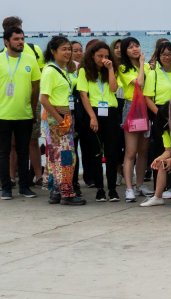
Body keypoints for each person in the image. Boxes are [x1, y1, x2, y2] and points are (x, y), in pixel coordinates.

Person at [40, 36, 85, 205]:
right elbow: (44, 99)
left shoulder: (64, 69)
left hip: (65, 116)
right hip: (58, 117)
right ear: (53, 51)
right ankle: (67, 194)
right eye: (64, 49)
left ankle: (57, 192)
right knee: (66, 157)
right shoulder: (50, 71)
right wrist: (60, 120)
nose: (68, 52)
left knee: (56, 156)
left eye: (69, 49)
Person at [76, 41, 121, 202]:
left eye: (106, 56)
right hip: (94, 111)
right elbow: (83, 95)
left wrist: (110, 69)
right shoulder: (84, 71)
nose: (103, 59)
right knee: (96, 152)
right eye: (100, 56)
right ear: (92, 56)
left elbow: (114, 89)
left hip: (111, 112)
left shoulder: (111, 69)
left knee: (112, 152)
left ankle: (112, 189)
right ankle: (100, 189)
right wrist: (92, 117)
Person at [0, 26, 41, 200]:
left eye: (22, 39)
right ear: (6, 41)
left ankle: (24, 187)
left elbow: (35, 87)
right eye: (16, 39)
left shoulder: (30, 60)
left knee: (24, 152)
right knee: (3, 153)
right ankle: (6, 188)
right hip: (2, 115)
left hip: (24, 114)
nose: (21, 42)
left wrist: (32, 110)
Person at [117, 36, 150, 202]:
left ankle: (140, 185)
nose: (135, 49)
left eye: (137, 45)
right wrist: (143, 64)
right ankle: (129, 188)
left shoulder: (148, 66)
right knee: (131, 152)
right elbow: (140, 83)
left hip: (146, 108)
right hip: (132, 108)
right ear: (125, 51)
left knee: (143, 151)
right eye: (130, 47)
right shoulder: (123, 68)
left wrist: (145, 65)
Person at [143, 41, 171, 175]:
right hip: (160, 112)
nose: (167, 57)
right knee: (161, 149)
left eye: (170, 54)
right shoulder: (154, 74)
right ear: (158, 56)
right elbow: (147, 98)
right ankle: (160, 184)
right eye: (163, 54)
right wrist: (161, 114)